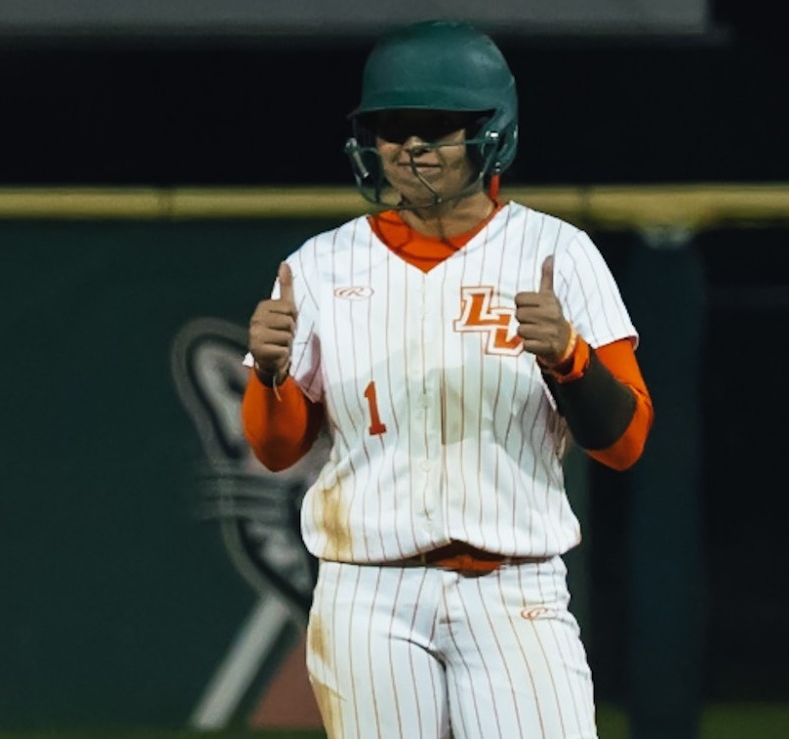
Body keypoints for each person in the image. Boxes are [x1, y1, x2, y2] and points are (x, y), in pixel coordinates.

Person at [241, 18, 653, 739]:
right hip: (367, 591)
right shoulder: (319, 265)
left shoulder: (556, 252)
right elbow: (276, 450)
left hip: (513, 586)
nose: (409, 146)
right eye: (390, 127)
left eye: (435, 125)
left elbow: (624, 443)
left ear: (491, 132)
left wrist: (571, 360)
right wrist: (270, 376)